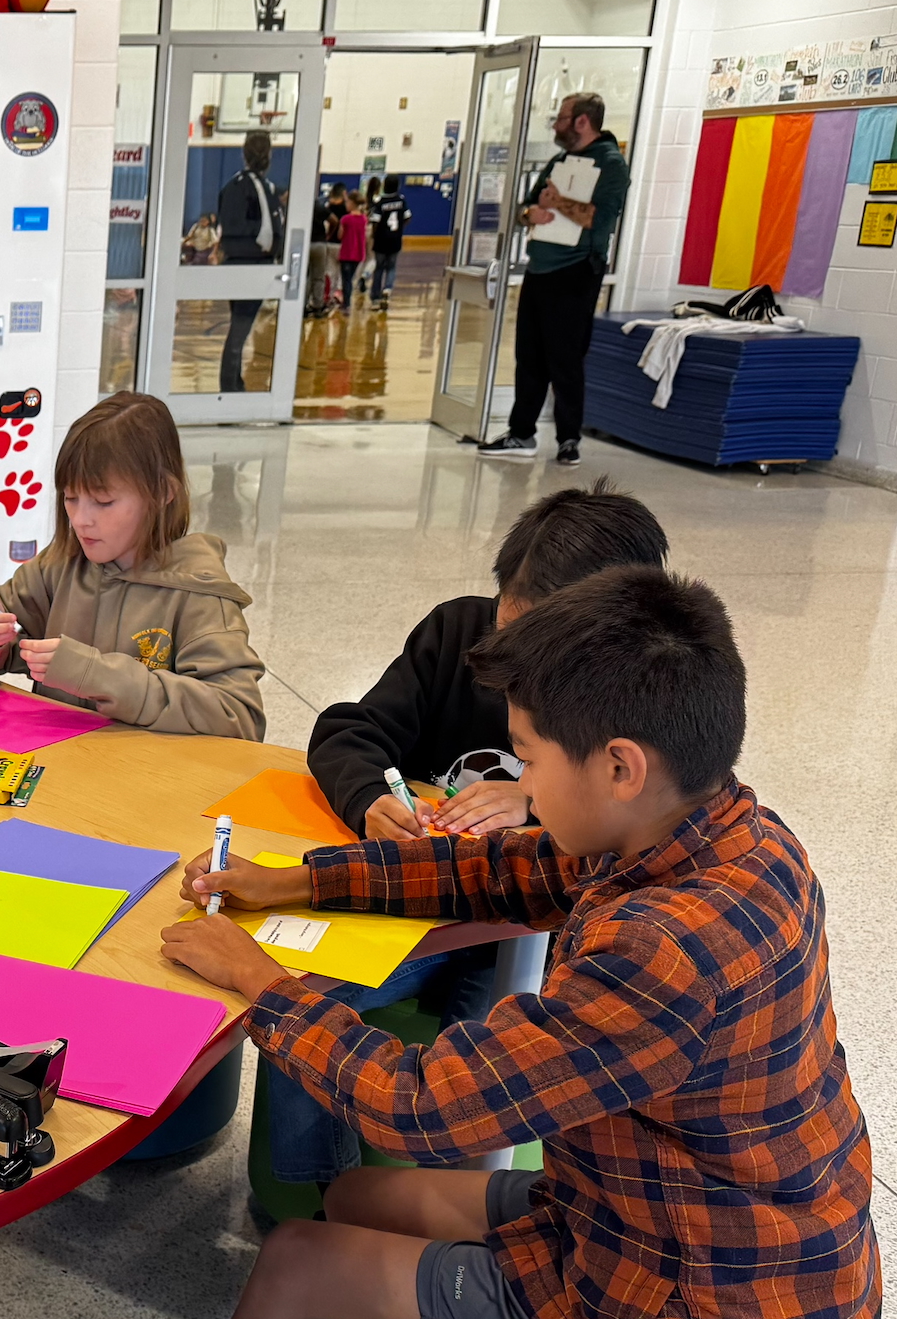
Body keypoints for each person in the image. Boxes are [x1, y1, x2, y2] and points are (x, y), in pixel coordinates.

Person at [42, 567, 880, 1319]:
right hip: (712, 1238)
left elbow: (423, 1104)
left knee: (299, 1261)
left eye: (529, 760)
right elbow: (497, 869)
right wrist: (296, 879)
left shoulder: (664, 947)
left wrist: (261, 982)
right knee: (362, 1197)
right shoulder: (722, 834)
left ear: (618, 765)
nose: (519, 786)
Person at [262, 483, 672, 1194]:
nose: (515, 669)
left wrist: (532, 803)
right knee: (303, 1001)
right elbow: (349, 731)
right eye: (510, 629)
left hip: (525, 943)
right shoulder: (459, 634)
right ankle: (320, 1198)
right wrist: (370, 804)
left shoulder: (628, 709)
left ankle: (444, 1211)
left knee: (475, 1070)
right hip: (423, 906)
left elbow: (620, 848)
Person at [0, 390, 266, 737]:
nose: (80, 520)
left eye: (103, 501)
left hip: (143, 769)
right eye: (71, 498)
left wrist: (100, 676)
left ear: (163, 492)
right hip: (59, 760)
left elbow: (239, 717)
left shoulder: (200, 593)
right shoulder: (60, 565)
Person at [477, 92, 633, 469]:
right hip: (540, 269)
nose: (555, 125)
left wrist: (557, 203)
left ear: (582, 121)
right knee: (529, 356)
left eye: (561, 118)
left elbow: (600, 219)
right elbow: (527, 207)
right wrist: (531, 215)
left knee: (565, 359)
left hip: (576, 272)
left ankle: (568, 438)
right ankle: (521, 433)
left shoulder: (611, 164)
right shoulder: (560, 160)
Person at [213, 130, 283, 392]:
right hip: (250, 265)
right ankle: (229, 387)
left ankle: (235, 382)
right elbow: (264, 234)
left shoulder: (247, 186)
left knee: (239, 327)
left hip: (241, 262)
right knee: (239, 329)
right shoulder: (252, 188)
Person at [367, 179, 410, 306]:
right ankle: (387, 288)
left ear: (384, 186)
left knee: (379, 268)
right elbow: (408, 217)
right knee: (391, 267)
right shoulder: (401, 201)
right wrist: (399, 229)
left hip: (381, 240)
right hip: (395, 239)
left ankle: (375, 297)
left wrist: (374, 235)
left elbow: (375, 221)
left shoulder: (380, 202)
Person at [308, 184, 345, 313]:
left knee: (305, 276)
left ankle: (303, 304)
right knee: (319, 276)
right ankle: (318, 304)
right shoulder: (319, 206)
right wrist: (329, 235)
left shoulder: (298, 206)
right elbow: (334, 220)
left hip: (304, 243)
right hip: (320, 243)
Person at [337, 192, 369, 312]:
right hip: (358, 253)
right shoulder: (364, 219)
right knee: (350, 278)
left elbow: (340, 235)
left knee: (346, 279)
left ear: (352, 203)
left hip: (347, 252)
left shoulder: (345, 219)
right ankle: (347, 303)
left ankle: (346, 304)